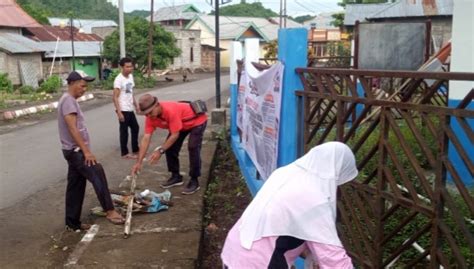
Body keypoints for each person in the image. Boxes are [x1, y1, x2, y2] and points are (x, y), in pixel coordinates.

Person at [221, 142, 358, 269]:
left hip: (235, 248)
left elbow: (286, 226)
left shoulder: (284, 173)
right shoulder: (315, 197)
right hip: (259, 262)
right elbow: (333, 258)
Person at [58, 70, 125, 231]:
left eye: (86, 86)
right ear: (72, 83)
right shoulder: (68, 101)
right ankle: (110, 211)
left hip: (71, 150)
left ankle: (72, 223)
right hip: (76, 151)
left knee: (75, 186)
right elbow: (73, 129)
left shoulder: (69, 100)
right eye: (82, 85)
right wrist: (86, 151)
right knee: (97, 173)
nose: (84, 89)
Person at [131, 94, 207, 195]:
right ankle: (176, 176)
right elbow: (146, 138)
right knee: (170, 148)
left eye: (150, 112)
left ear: (157, 105)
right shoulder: (150, 118)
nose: (149, 116)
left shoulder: (170, 111)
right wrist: (138, 162)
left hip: (196, 121)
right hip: (180, 125)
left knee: (193, 147)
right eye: (146, 114)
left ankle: (194, 179)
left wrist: (160, 151)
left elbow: (175, 135)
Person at [113, 57, 140, 159]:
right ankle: (124, 153)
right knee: (124, 131)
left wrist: (136, 105)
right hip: (123, 109)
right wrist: (119, 112)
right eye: (127, 67)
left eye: (131, 66)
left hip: (129, 108)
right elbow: (115, 97)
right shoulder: (118, 80)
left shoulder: (130, 77)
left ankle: (135, 149)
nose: (130, 68)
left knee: (135, 128)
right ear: (122, 67)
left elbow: (130, 93)